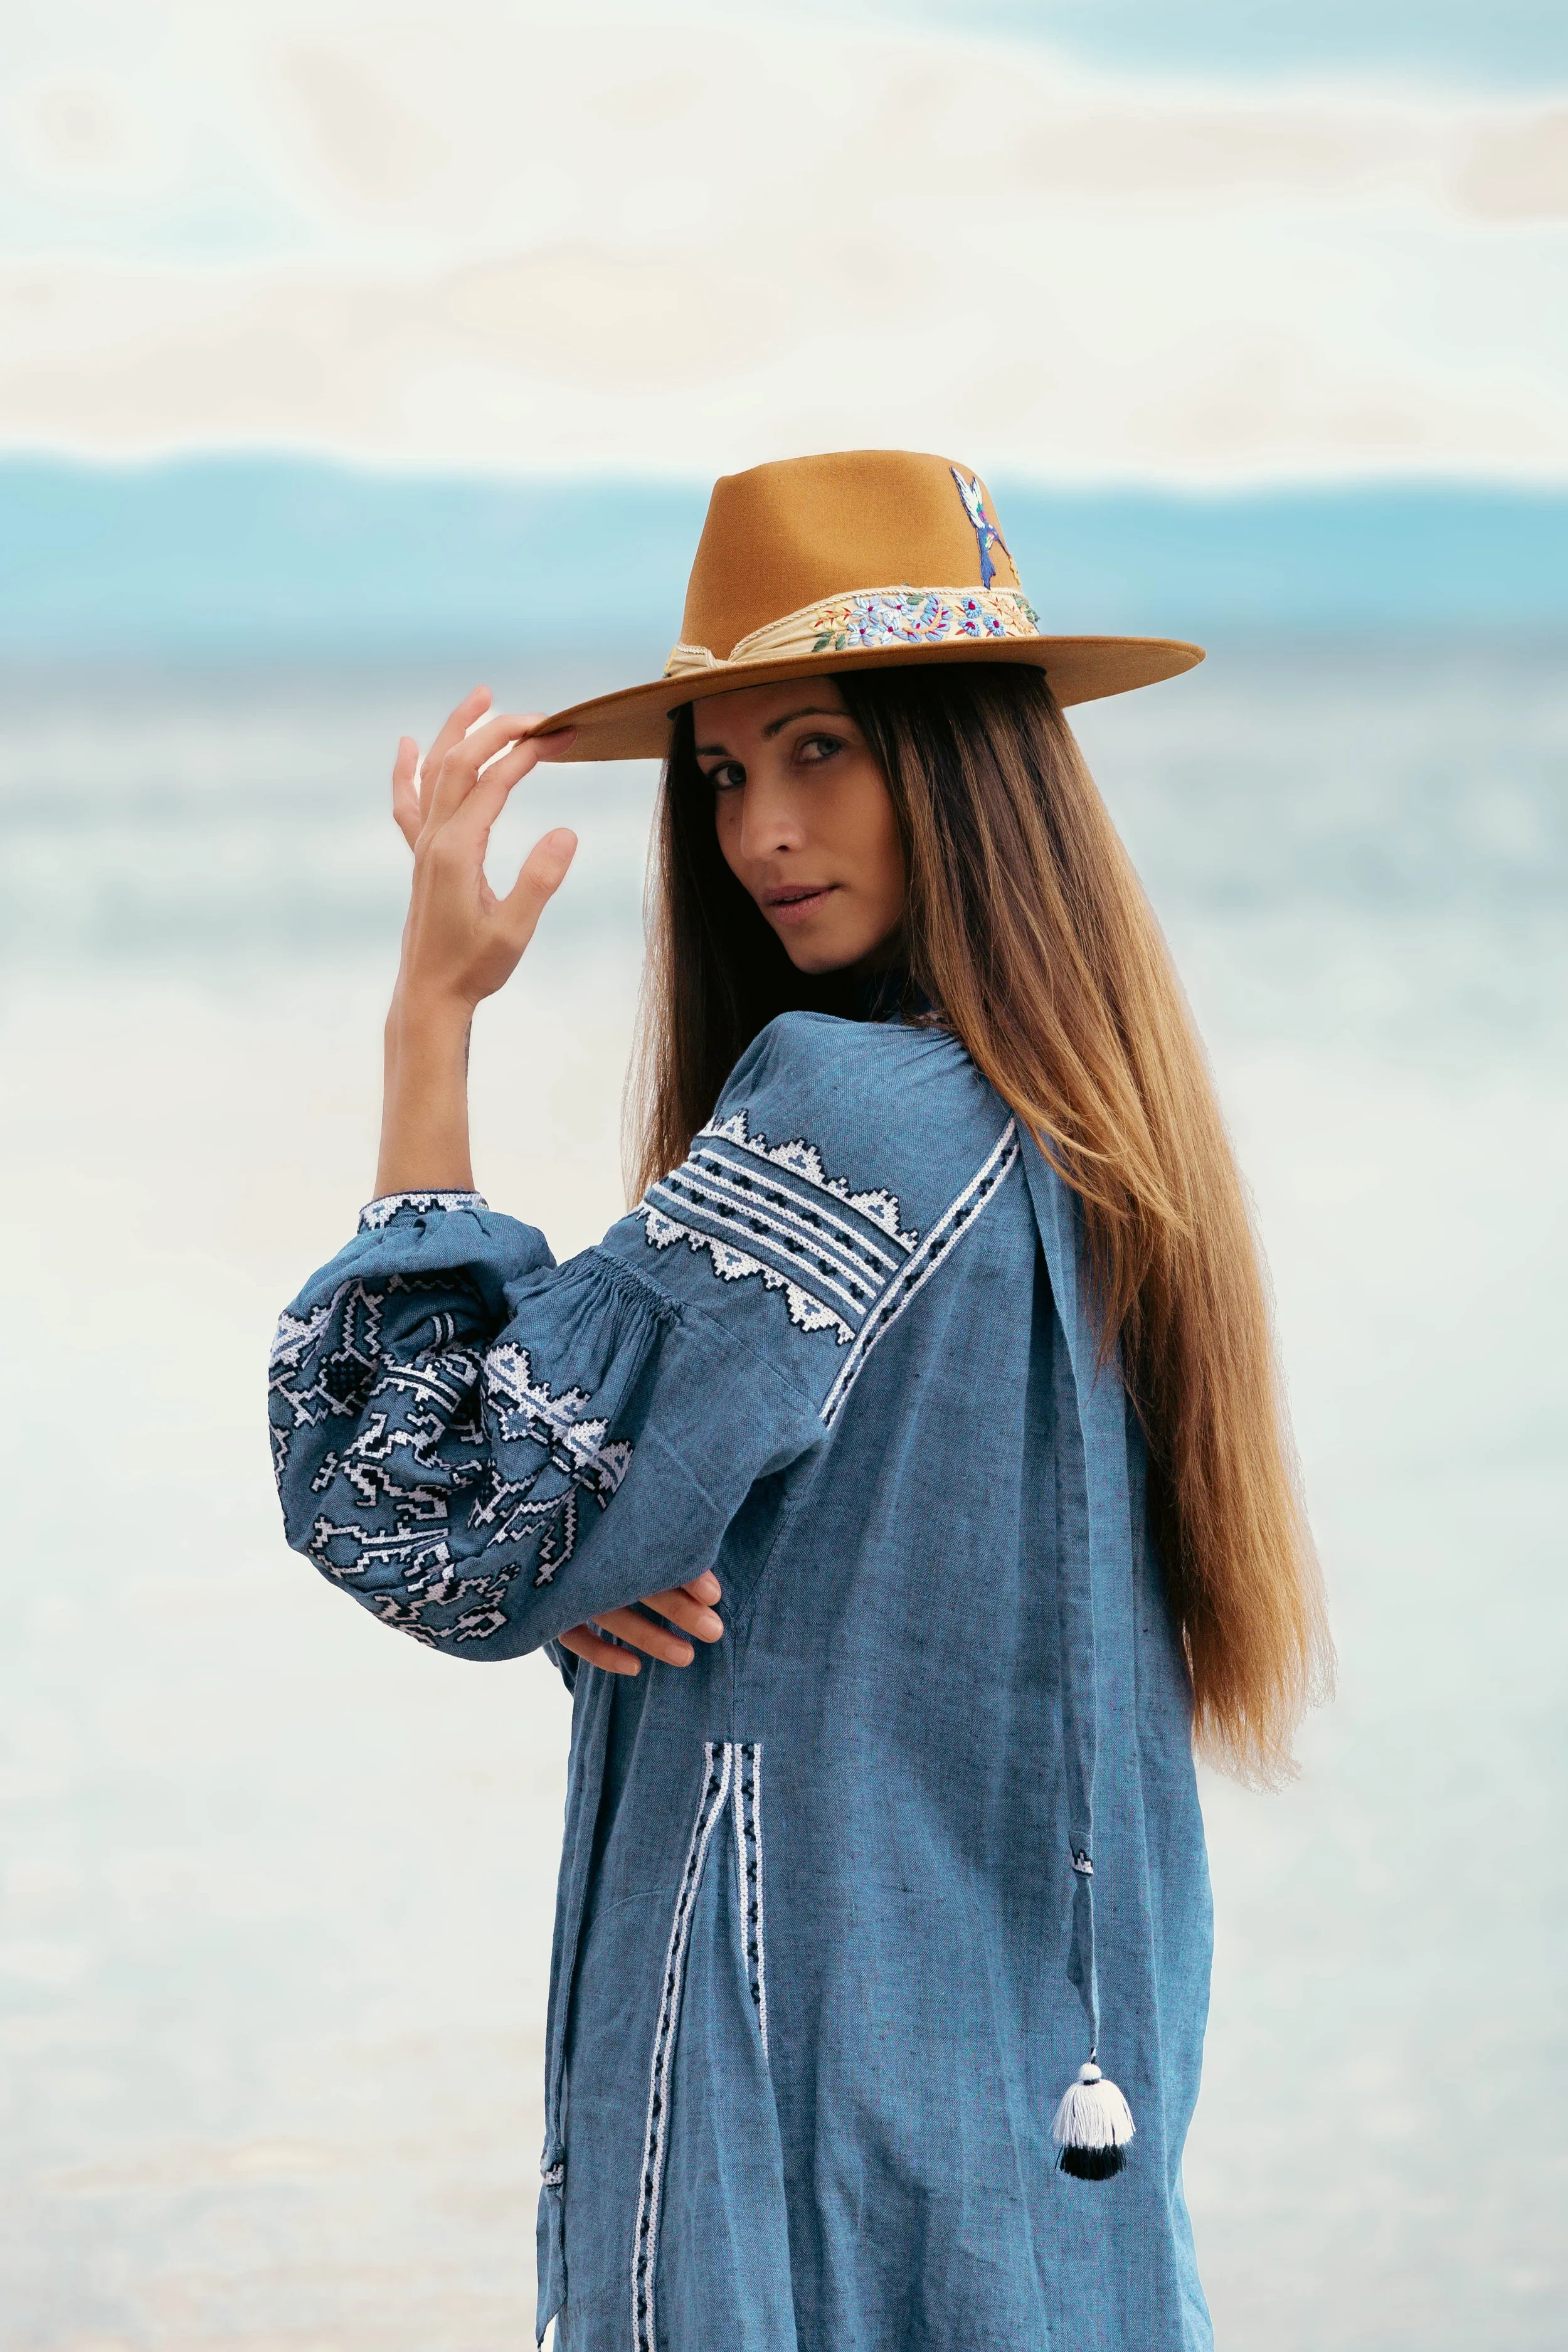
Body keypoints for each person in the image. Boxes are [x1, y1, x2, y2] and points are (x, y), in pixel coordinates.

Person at [268, 449, 1330, 2351]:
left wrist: (428, 1019)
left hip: (789, 2098)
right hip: (1025, 2098)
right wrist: (614, 1527)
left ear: (962, 758)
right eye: (727, 770)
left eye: (821, 746)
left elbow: (418, 1490)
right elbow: (734, 1518)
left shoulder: (844, 1122)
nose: (762, 825)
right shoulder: (1093, 1130)